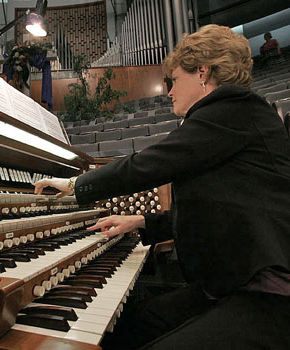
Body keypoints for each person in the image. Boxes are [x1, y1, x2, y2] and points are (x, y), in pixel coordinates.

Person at [34, 24, 290, 349]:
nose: (168, 91)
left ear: (202, 72)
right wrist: (142, 222)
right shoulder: (228, 118)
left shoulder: (234, 110)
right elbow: (217, 210)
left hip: (269, 296)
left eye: (174, 80)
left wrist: (74, 184)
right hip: (226, 286)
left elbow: (150, 163)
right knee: (130, 327)